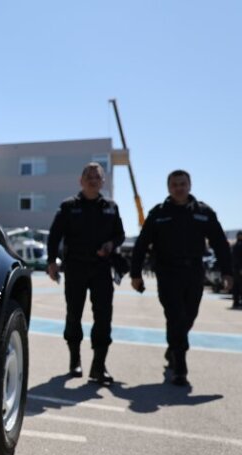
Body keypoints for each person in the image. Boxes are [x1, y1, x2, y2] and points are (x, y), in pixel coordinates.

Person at [130, 170, 233, 386]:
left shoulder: (204, 212)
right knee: (175, 315)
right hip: (167, 272)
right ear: (169, 188)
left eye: (183, 184)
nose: (179, 188)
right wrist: (136, 274)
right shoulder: (158, 213)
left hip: (194, 271)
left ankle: (173, 348)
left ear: (189, 185)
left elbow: (220, 244)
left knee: (190, 315)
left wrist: (227, 272)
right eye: (175, 185)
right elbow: (141, 244)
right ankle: (180, 366)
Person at [47, 162, 125, 385]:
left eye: (97, 177)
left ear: (103, 181)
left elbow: (120, 234)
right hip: (75, 268)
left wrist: (111, 244)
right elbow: (54, 236)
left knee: (104, 317)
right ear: (80, 181)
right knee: (74, 315)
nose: (93, 180)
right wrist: (52, 262)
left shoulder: (111, 207)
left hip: (101, 268)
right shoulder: (68, 206)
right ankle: (75, 360)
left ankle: (99, 366)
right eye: (89, 177)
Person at [233, 231, 242, 309]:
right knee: (237, 286)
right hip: (237, 269)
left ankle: (237, 302)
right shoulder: (237, 245)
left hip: (237, 269)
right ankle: (236, 302)